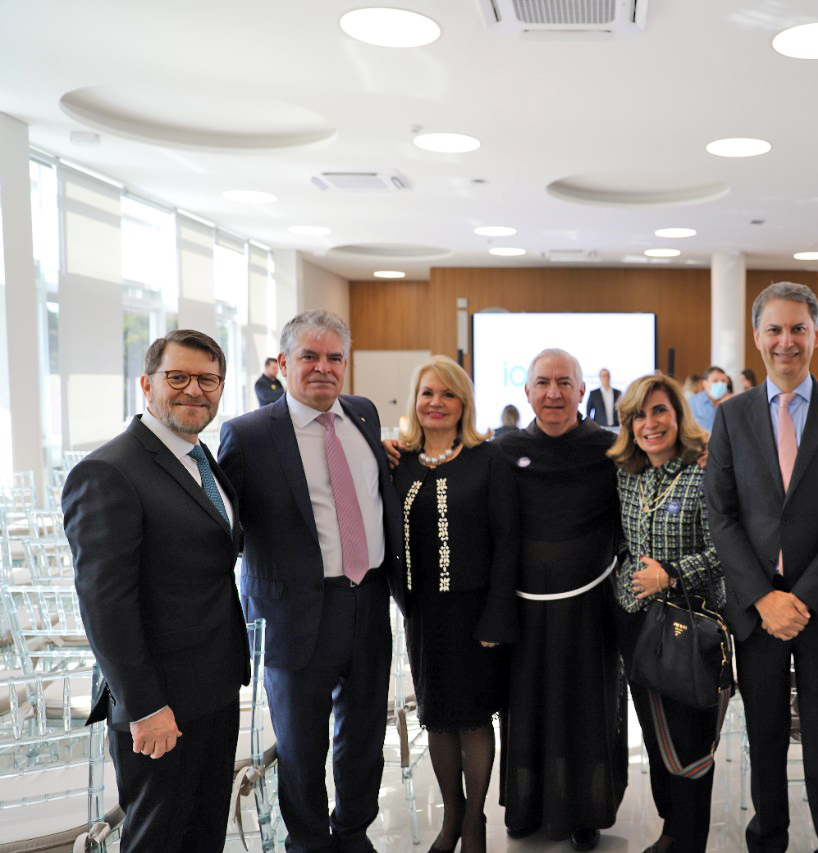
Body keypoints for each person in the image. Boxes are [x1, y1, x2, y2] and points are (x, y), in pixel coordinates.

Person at [218, 310, 401, 853]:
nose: (323, 368)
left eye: (334, 358)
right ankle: (309, 843)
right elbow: (224, 530)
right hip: (293, 614)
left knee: (365, 735)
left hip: (367, 602)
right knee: (301, 746)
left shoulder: (364, 416)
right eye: (309, 357)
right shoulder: (248, 435)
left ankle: (353, 833)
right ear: (282, 364)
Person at [705, 282, 818, 853]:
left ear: (817, 333)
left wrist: (799, 599)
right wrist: (763, 598)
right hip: (757, 611)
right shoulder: (731, 417)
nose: (787, 341)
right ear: (757, 338)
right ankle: (769, 839)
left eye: (798, 328)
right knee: (766, 735)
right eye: (774, 330)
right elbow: (722, 516)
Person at [64, 330, 248, 853]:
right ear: (147, 384)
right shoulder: (108, 471)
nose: (195, 390)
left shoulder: (200, 459)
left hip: (214, 686)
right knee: (157, 839)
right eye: (179, 377)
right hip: (159, 701)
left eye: (208, 379)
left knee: (203, 832)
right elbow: (105, 603)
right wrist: (144, 706)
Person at [495, 348, 627, 850]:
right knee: (524, 708)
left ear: (581, 391)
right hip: (525, 608)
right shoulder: (504, 450)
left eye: (565, 382)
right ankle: (525, 806)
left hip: (591, 609)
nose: (554, 392)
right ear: (526, 391)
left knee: (588, 708)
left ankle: (586, 810)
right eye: (543, 383)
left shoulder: (610, 449)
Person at [393, 356, 518, 853]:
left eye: (447, 394)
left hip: (478, 612)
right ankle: (453, 815)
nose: (436, 403)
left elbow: (508, 541)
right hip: (424, 612)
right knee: (436, 715)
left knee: (472, 719)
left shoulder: (490, 459)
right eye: (427, 393)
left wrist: (498, 615)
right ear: (415, 401)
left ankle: (476, 823)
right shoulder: (397, 462)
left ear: (463, 402)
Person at [609, 372, 724, 853]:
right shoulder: (625, 475)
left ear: (678, 415)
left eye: (660, 411)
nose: (650, 423)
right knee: (655, 738)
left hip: (690, 624)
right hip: (636, 623)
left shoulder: (706, 471)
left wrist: (671, 573)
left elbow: (727, 550)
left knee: (690, 743)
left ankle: (689, 836)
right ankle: (671, 828)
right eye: (639, 415)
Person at [689, 366, 732, 432]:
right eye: (715, 381)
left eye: (723, 381)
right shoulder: (693, 402)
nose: (720, 384)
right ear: (704, 384)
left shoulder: (732, 402)